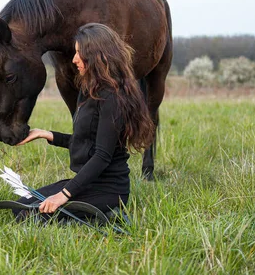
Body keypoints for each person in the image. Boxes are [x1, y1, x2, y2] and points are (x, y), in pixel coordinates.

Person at [14, 23, 154, 221]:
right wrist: (46, 134)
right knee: (20, 205)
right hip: (89, 183)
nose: (74, 59)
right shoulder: (90, 91)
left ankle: (107, 214)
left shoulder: (112, 97)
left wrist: (63, 196)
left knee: (27, 217)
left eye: (80, 53)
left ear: (97, 55)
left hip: (108, 189)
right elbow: (86, 142)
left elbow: (102, 156)